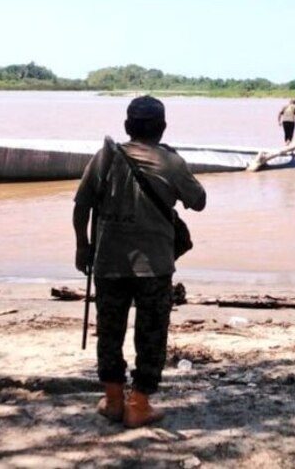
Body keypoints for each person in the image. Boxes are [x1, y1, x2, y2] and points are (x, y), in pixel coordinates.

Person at [73, 95, 207, 428]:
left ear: (127, 127)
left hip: (108, 263)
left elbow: (81, 206)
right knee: (150, 336)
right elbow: (199, 201)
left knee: (109, 333)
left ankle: (114, 400)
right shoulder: (171, 163)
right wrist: (174, 166)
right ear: (162, 129)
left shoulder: (104, 158)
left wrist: (82, 247)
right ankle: (139, 403)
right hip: (154, 267)